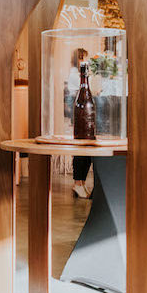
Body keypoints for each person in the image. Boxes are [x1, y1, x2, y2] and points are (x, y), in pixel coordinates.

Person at [67, 47, 92, 198]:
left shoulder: (78, 74)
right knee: (81, 148)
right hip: (77, 112)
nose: (84, 61)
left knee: (86, 148)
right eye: (82, 58)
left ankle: (81, 183)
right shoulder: (74, 74)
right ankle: (78, 183)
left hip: (80, 111)